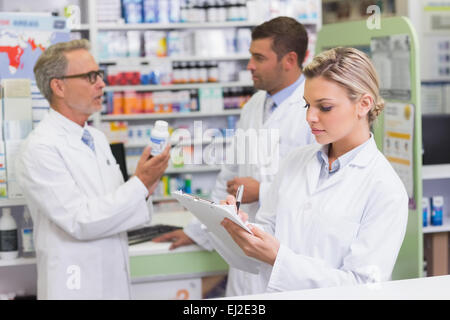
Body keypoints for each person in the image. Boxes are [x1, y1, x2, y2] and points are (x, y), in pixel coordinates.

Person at [220, 47, 409, 293]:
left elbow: (363, 286)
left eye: (325, 107)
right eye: (307, 105)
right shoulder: (295, 161)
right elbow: (269, 226)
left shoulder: (385, 189)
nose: (310, 117)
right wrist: (245, 229)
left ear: (363, 104)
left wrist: (280, 259)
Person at [153, 16, 314, 296]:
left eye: (258, 58)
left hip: (289, 251)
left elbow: (319, 186)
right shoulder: (253, 105)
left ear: (289, 60)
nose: (249, 65)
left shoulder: (313, 110)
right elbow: (228, 175)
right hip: (246, 250)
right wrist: (197, 230)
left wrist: (263, 190)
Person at [16, 39, 170, 300]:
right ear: (59, 86)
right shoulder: (39, 148)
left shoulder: (96, 138)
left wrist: (146, 186)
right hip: (74, 286)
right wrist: (140, 183)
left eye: (99, 74)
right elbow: (80, 220)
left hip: (113, 281)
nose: (101, 83)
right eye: (90, 76)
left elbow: (114, 207)